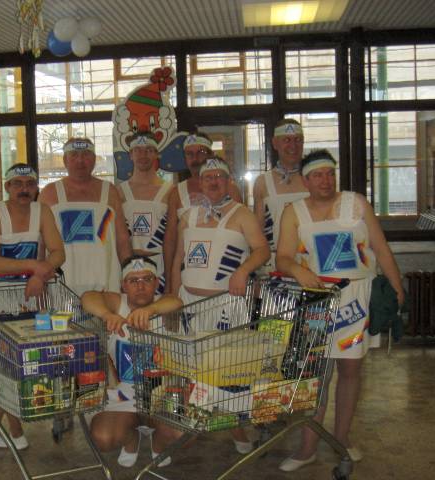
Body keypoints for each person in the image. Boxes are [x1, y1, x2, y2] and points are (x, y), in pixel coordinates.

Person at [276, 149, 404, 472]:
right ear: (305, 180)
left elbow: (381, 248)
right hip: (316, 303)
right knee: (316, 374)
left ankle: (342, 438)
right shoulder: (294, 212)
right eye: (317, 175)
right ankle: (307, 447)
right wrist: (297, 269)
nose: (325, 180)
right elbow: (283, 257)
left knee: (350, 369)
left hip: (356, 302)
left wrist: (397, 288)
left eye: (330, 173)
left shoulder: (356, 203)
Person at [170, 157, 270, 453]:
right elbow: (177, 259)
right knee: (191, 367)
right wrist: (173, 298)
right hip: (190, 303)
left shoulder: (242, 214)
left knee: (227, 372)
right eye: (208, 177)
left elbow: (262, 250)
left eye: (219, 177)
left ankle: (237, 430)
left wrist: (242, 271)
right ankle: (194, 424)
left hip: (227, 304)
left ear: (229, 182)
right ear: (199, 183)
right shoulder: (188, 215)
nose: (213, 182)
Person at [0, 163, 65, 450]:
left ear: (36, 188)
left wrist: (39, 274)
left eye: (29, 184)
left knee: (28, 360)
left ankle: (9, 425)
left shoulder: (43, 212)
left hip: (33, 296)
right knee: (7, 361)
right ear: (7, 187)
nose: (24, 189)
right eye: (17, 184)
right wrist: (34, 266)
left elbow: (58, 252)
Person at [81, 256, 183, 468]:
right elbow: (88, 297)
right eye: (133, 280)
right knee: (103, 438)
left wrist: (150, 310)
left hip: (161, 395)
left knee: (182, 433)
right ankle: (131, 437)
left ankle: (158, 442)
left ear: (156, 282)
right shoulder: (117, 302)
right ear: (123, 285)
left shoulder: (163, 304)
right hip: (123, 395)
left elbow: (176, 301)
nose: (141, 286)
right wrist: (107, 315)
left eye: (147, 279)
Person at [39, 137, 132, 295]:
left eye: (86, 154)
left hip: (106, 282)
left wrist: (129, 273)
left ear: (94, 159)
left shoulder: (109, 191)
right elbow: (40, 242)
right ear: (65, 160)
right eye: (74, 155)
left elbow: (122, 240)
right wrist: (39, 277)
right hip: (61, 283)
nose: (80, 160)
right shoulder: (49, 193)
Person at [164, 132, 242, 293]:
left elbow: (243, 233)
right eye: (190, 154)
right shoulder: (176, 192)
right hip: (190, 272)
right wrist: (169, 280)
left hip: (224, 272)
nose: (195, 158)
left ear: (211, 154)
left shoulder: (229, 189)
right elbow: (171, 239)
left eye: (200, 152)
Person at [117, 133, 173, 292]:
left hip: (159, 267)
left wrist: (170, 277)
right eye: (138, 150)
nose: (143, 155)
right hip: (127, 266)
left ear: (156, 154)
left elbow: (173, 238)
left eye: (149, 150)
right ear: (130, 154)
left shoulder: (171, 191)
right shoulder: (118, 191)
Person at [253, 119, 309, 267]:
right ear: (275, 143)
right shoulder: (262, 182)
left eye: (298, 140)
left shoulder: (314, 179)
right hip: (275, 263)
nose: (293, 146)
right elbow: (258, 232)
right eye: (287, 140)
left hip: (311, 261)